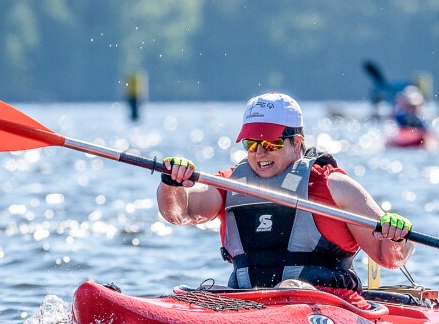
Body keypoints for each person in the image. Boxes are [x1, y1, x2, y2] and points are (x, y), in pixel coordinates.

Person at [158, 91, 414, 308]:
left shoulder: (334, 186)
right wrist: (172, 183)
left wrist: (396, 237)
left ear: (296, 143)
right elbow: (180, 212)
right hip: (249, 305)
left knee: (291, 288)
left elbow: (388, 258)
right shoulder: (231, 183)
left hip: (328, 308)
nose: (259, 153)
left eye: (270, 143)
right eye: (251, 144)